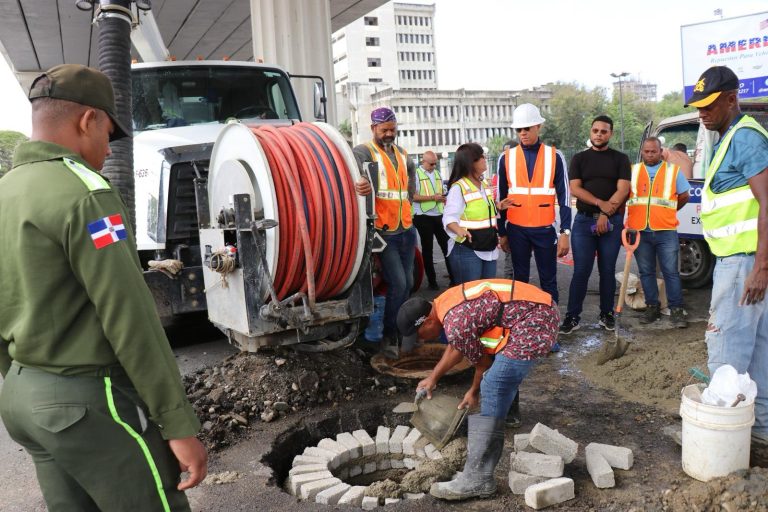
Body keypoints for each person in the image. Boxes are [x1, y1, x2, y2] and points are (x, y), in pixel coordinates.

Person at [0, 64, 207, 511]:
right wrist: (178, 424)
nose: (104, 152)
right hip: (88, 403)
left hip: (22, 398)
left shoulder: (6, 191)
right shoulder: (86, 193)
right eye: (108, 136)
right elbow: (131, 318)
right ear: (88, 120)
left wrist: (22, 384)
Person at [397, 278, 559, 500]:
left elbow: (483, 364)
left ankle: (478, 479)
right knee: (501, 373)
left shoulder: (455, 322)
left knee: (493, 383)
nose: (420, 342)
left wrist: (473, 392)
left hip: (536, 322)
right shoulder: (445, 303)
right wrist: (433, 377)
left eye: (419, 337)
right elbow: (457, 345)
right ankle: (508, 414)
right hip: (535, 309)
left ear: (426, 323)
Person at [685, 66, 768, 461]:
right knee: (759, 356)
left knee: (726, 358)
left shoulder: (745, 137)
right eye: (698, 107)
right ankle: (761, 437)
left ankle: (720, 451)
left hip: (742, 265)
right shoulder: (728, 137)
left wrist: (760, 268)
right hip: (746, 261)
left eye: (709, 105)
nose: (702, 113)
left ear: (731, 99)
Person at [352, 107, 417, 355]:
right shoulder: (363, 152)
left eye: (393, 129)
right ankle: (391, 335)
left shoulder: (402, 153)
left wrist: (409, 200)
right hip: (384, 230)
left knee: (408, 282)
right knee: (398, 283)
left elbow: (409, 179)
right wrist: (358, 182)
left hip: (406, 227)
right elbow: (352, 176)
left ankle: (400, 330)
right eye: (384, 130)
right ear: (373, 129)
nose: (390, 134)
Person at [560, 115, 631, 334]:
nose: (599, 134)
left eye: (604, 131)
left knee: (607, 270)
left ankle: (606, 314)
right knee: (581, 270)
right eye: (595, 131)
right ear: (590, 132)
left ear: (610, 133)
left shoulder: (620, 159)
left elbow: (623, 189)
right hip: (583, 222)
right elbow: (575, 188)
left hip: (612, 222)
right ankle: (572, 317)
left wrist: (605, 214)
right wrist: (600, 205)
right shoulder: (579, 159)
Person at [497, 103, 571, 303]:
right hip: (516, 230)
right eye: (519, 129)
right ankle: (521, 325)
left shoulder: (555, 156)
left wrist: (565, 233)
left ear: (538, 126)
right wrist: (502, 233)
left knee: (548, 281)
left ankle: (551, 323)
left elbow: (565, 198)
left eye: (527, 128)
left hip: (544, 229)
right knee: (519, 281)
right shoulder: (506, 158)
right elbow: (500, 199)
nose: (523, 133)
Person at [627, 137, 690, 327]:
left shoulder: (672, 171)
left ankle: (677, 310)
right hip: (640, 231)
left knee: (670, 272)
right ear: (642, 152)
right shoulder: (633, 171)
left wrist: (669, 212)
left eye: (653, 151)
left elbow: (684, 196)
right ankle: (652, 308)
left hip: (666, 230)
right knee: (646, 272)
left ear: (661, 151)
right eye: (646, 151)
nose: (650, 154)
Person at [443, 142, 501, 284]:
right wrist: (460, 231)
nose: (485, 158)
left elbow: (483, 211)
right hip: (467, 248)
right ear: (471, 162)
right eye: (481, 156)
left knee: (487, 293)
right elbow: (449, 218)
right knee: (470, 295)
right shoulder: (459, 188)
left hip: (488, 245)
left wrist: (498, 206)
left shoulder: (485, 185)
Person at [412, 150, 454, 289]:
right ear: (423, 161)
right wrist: (433, 198)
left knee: (447, 247)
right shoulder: (416, 175)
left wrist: (442, 196)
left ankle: (453, 279)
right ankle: (432, 282)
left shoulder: (437, 174)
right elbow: (413, 196)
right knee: (427, 249)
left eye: (435, 163)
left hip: (438, 214)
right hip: (422, 216)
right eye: (431, 164)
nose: (434, 166)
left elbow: (440, 191)